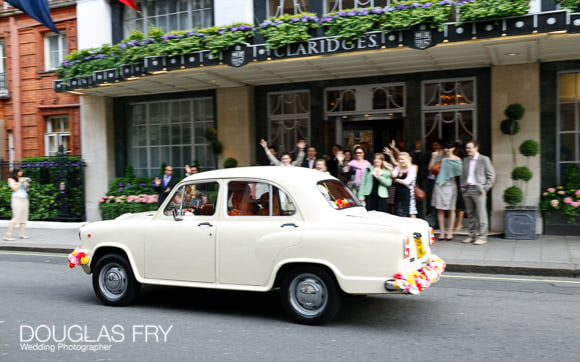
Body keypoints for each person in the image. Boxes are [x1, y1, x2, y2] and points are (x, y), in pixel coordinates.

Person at [460, 140, 496, 245]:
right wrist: (462, 187)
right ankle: (471, 235)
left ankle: (483, 236)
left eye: (470, 147)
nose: (468, 150)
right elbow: (463, 175)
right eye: (467, 148)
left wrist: (485, 188)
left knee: (481, 214)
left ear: (476, 148)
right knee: (470, 214)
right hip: (467, 189)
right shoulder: (465, 160)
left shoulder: (484, 159)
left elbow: (491, 175)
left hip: (479, 190)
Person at [431, 142, 463, 241]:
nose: (446, 149)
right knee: (440, 209)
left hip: (451, 185)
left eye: (448, 147)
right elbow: (430, 168)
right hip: (439, 185)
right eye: (445, 147)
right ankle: (441, 232)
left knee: (451, 209)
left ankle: (449, 233)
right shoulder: (440, 158)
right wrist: (433, 157)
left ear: (453, 148)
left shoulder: (457, 160)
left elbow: (460, 172)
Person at [3, 168, 30, 240]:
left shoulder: (22, 179)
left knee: (24, 216)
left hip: (25, 198)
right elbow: (14, 189)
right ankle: (8, 235)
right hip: (17, 198)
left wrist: (27, 184)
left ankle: (22, 234)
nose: (21, 173)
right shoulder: (11, 179)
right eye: (20, 171)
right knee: (16, 216)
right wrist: (20, 182)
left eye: (21, 171)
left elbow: (26, 190)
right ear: (16, 172)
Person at [389, 152, 418, 218]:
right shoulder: (398, 168)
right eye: (399, 159)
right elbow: (394, 175)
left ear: (407, 159)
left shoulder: (412, 168)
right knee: (398, 210)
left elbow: (407, 181)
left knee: (410, 211)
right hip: (399, 192)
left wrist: (398, 180)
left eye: (403, 159)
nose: (401, 161)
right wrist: (391, 169)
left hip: (408, 192)